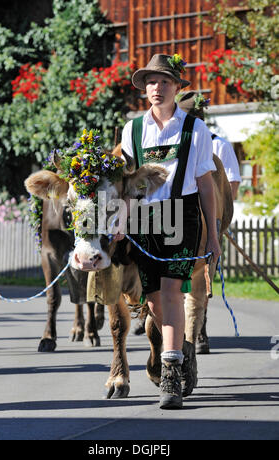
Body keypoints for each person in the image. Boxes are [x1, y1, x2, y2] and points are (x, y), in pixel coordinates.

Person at [121, 54, 221, 409]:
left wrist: (213, 234)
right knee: (152, 300)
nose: (156, 88)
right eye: (150, 81)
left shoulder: (195, 129)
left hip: (183, 215)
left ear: (177, 87)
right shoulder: (132, 130)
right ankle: (181, 347)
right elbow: (131, 187)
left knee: (172, 292)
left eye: (164, 81)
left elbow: (206, 184)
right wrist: (121, 221)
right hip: (145, 220)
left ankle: (171, 376)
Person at [178, 91, 241, 354]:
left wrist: (217, 219)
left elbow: (231, 185)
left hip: (211, 216)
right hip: (179, 218)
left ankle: (199, 330)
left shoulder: (219, 145)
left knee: (203, 279)